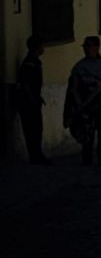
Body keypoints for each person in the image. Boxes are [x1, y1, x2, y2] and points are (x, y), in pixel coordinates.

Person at [63, 36, 101, 167]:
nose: (86, 49)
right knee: (88, 133)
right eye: (85, 46)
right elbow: (75, 83)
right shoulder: (80, 66)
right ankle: (87, 159)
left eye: (89, 46)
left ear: (96, 47)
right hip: (87, 103)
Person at [17, 35, 51, 165]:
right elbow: (26, 83)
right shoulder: (30, 63)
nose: (44, 48)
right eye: (42, 46)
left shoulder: (33, 61)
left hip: (31, 100)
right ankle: (35, 156)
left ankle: (36, 155)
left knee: (35, 129)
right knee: (33, 129)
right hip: (29, 102)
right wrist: (33, 99)